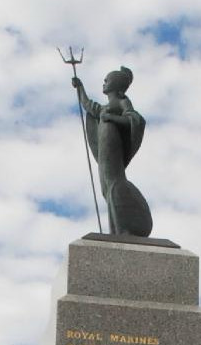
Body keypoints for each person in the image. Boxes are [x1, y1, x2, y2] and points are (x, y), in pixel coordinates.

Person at [71, 66, 153, 237]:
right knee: (107, 190)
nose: (104, 83)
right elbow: (88, 105)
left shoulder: (121, 102)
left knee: (115, 186)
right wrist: (80, 88)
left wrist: (112, 118)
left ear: (115, 84)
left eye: (107, 80)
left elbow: (136, 120)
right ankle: (115, 230)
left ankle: (124, 229)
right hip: (105, 155)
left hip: (114, 153)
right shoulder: (103, 108)